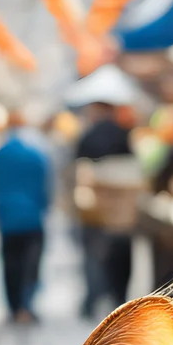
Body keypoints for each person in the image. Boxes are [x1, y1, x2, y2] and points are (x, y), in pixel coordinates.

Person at [0, 112, 53, 324]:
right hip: (32, 217)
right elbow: (45, 187)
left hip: (7, 218)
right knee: (30, 264)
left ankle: (14, 305)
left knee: (10, 264)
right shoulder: (35, 155)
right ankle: (26, 305)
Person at [73, 98, 135, 318]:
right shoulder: (123, 134)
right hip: (121, 211)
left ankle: (93, 299)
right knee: (120, 256)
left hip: (96, 208)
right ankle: (118, 299)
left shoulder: (87, 136)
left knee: (93, 256)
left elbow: (78, 169)